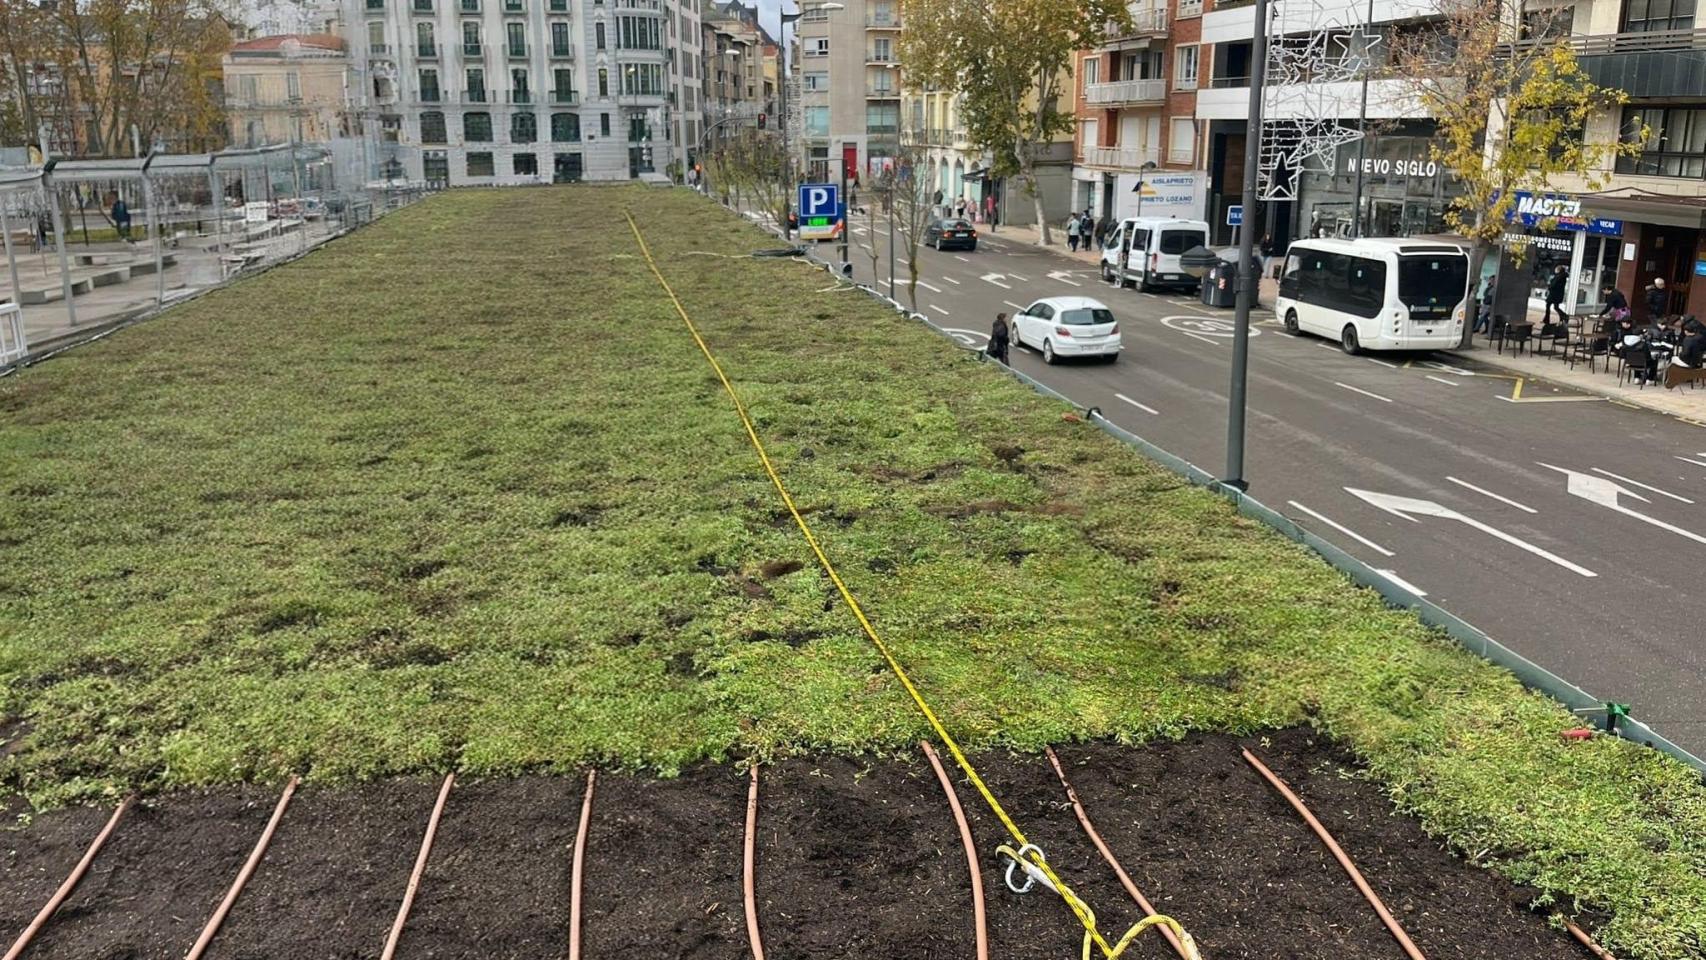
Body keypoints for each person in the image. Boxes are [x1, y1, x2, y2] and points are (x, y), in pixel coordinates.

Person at [1543, 264, 1569, 336]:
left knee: (1549, 305)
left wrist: (1549, 286)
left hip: (1554, 294)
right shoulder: (1562, 277)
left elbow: (1553, 285)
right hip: (1558, 294)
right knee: (1555, 307)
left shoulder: (1558, 277)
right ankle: (1563, 317)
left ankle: (1548, 319)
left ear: (1558, 270)